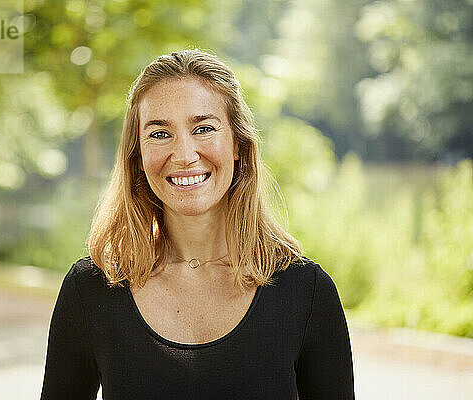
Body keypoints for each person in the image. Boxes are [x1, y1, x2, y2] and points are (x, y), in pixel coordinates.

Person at [41, 49, 354, 399]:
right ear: (138, 157)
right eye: (160, 134)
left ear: (238, 144)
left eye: (203, 128)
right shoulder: (90, 291)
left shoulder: (305, 291)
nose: (185, 155)